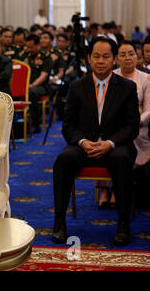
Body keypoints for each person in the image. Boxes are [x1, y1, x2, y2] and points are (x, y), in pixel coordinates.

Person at [52, 37, 140, 247]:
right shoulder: (77, 86)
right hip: (85, 146)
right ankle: (59, 223)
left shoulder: (127, 87)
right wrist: (82, 142)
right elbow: (68, 126)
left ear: (114, 60)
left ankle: (123, 225)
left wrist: (110, 143)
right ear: (89, 58)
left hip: (115, 146)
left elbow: (132, 127)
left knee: (121, 160)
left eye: (106, 57)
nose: (101, 61)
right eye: (97, 56)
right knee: (64, 159)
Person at [95, 41, 150, 208]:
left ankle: (118, 192)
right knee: (104, 142)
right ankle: (105, 190)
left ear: (137, 56)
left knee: (124, 144)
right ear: (116, 58)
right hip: (115, 127)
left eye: (131, 54)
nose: (128, 58)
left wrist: (135, 122)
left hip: (140, 128)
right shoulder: (110, 77)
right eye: (123, 54)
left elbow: (149, 109)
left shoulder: (146, 78)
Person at [22, 34, 53, 133]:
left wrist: (32, 85)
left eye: (31, 47)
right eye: (27, 47)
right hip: (25, 85)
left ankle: (36, 123)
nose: (29, 49)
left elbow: (43, 76)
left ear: (38, 45)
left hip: (41, 86)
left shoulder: (46, 57)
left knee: (32, 93)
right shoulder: (24, 55)